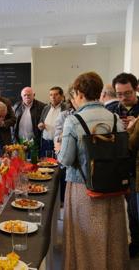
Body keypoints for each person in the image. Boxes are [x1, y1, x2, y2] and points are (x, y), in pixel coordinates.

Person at [57, 72, 129, 269]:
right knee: (111, 237)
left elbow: (66, 159)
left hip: (84, 189)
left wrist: (58, 150)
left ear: (80, 93)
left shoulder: (73, 121)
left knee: (85, 238)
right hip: (112, 188)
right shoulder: (114, 118)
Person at [109, 72, 139, 257]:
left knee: (136, 209)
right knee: (125, 210)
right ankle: (130, 242)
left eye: (127, 93)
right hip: (118, 166)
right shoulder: (111, 109)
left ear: (136, 88)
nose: (123, 98)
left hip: (136, 165)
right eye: (119, 93)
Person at [38, 86, 66, 157]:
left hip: (59, 143)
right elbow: (41, 121)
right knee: (45, 165)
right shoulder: (46, 108)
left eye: (56, 94)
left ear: (62, 96)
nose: (53, 97)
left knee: (57, 165)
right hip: (45, 142)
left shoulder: (66, 109)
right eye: (51, 95)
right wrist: (40, 125)